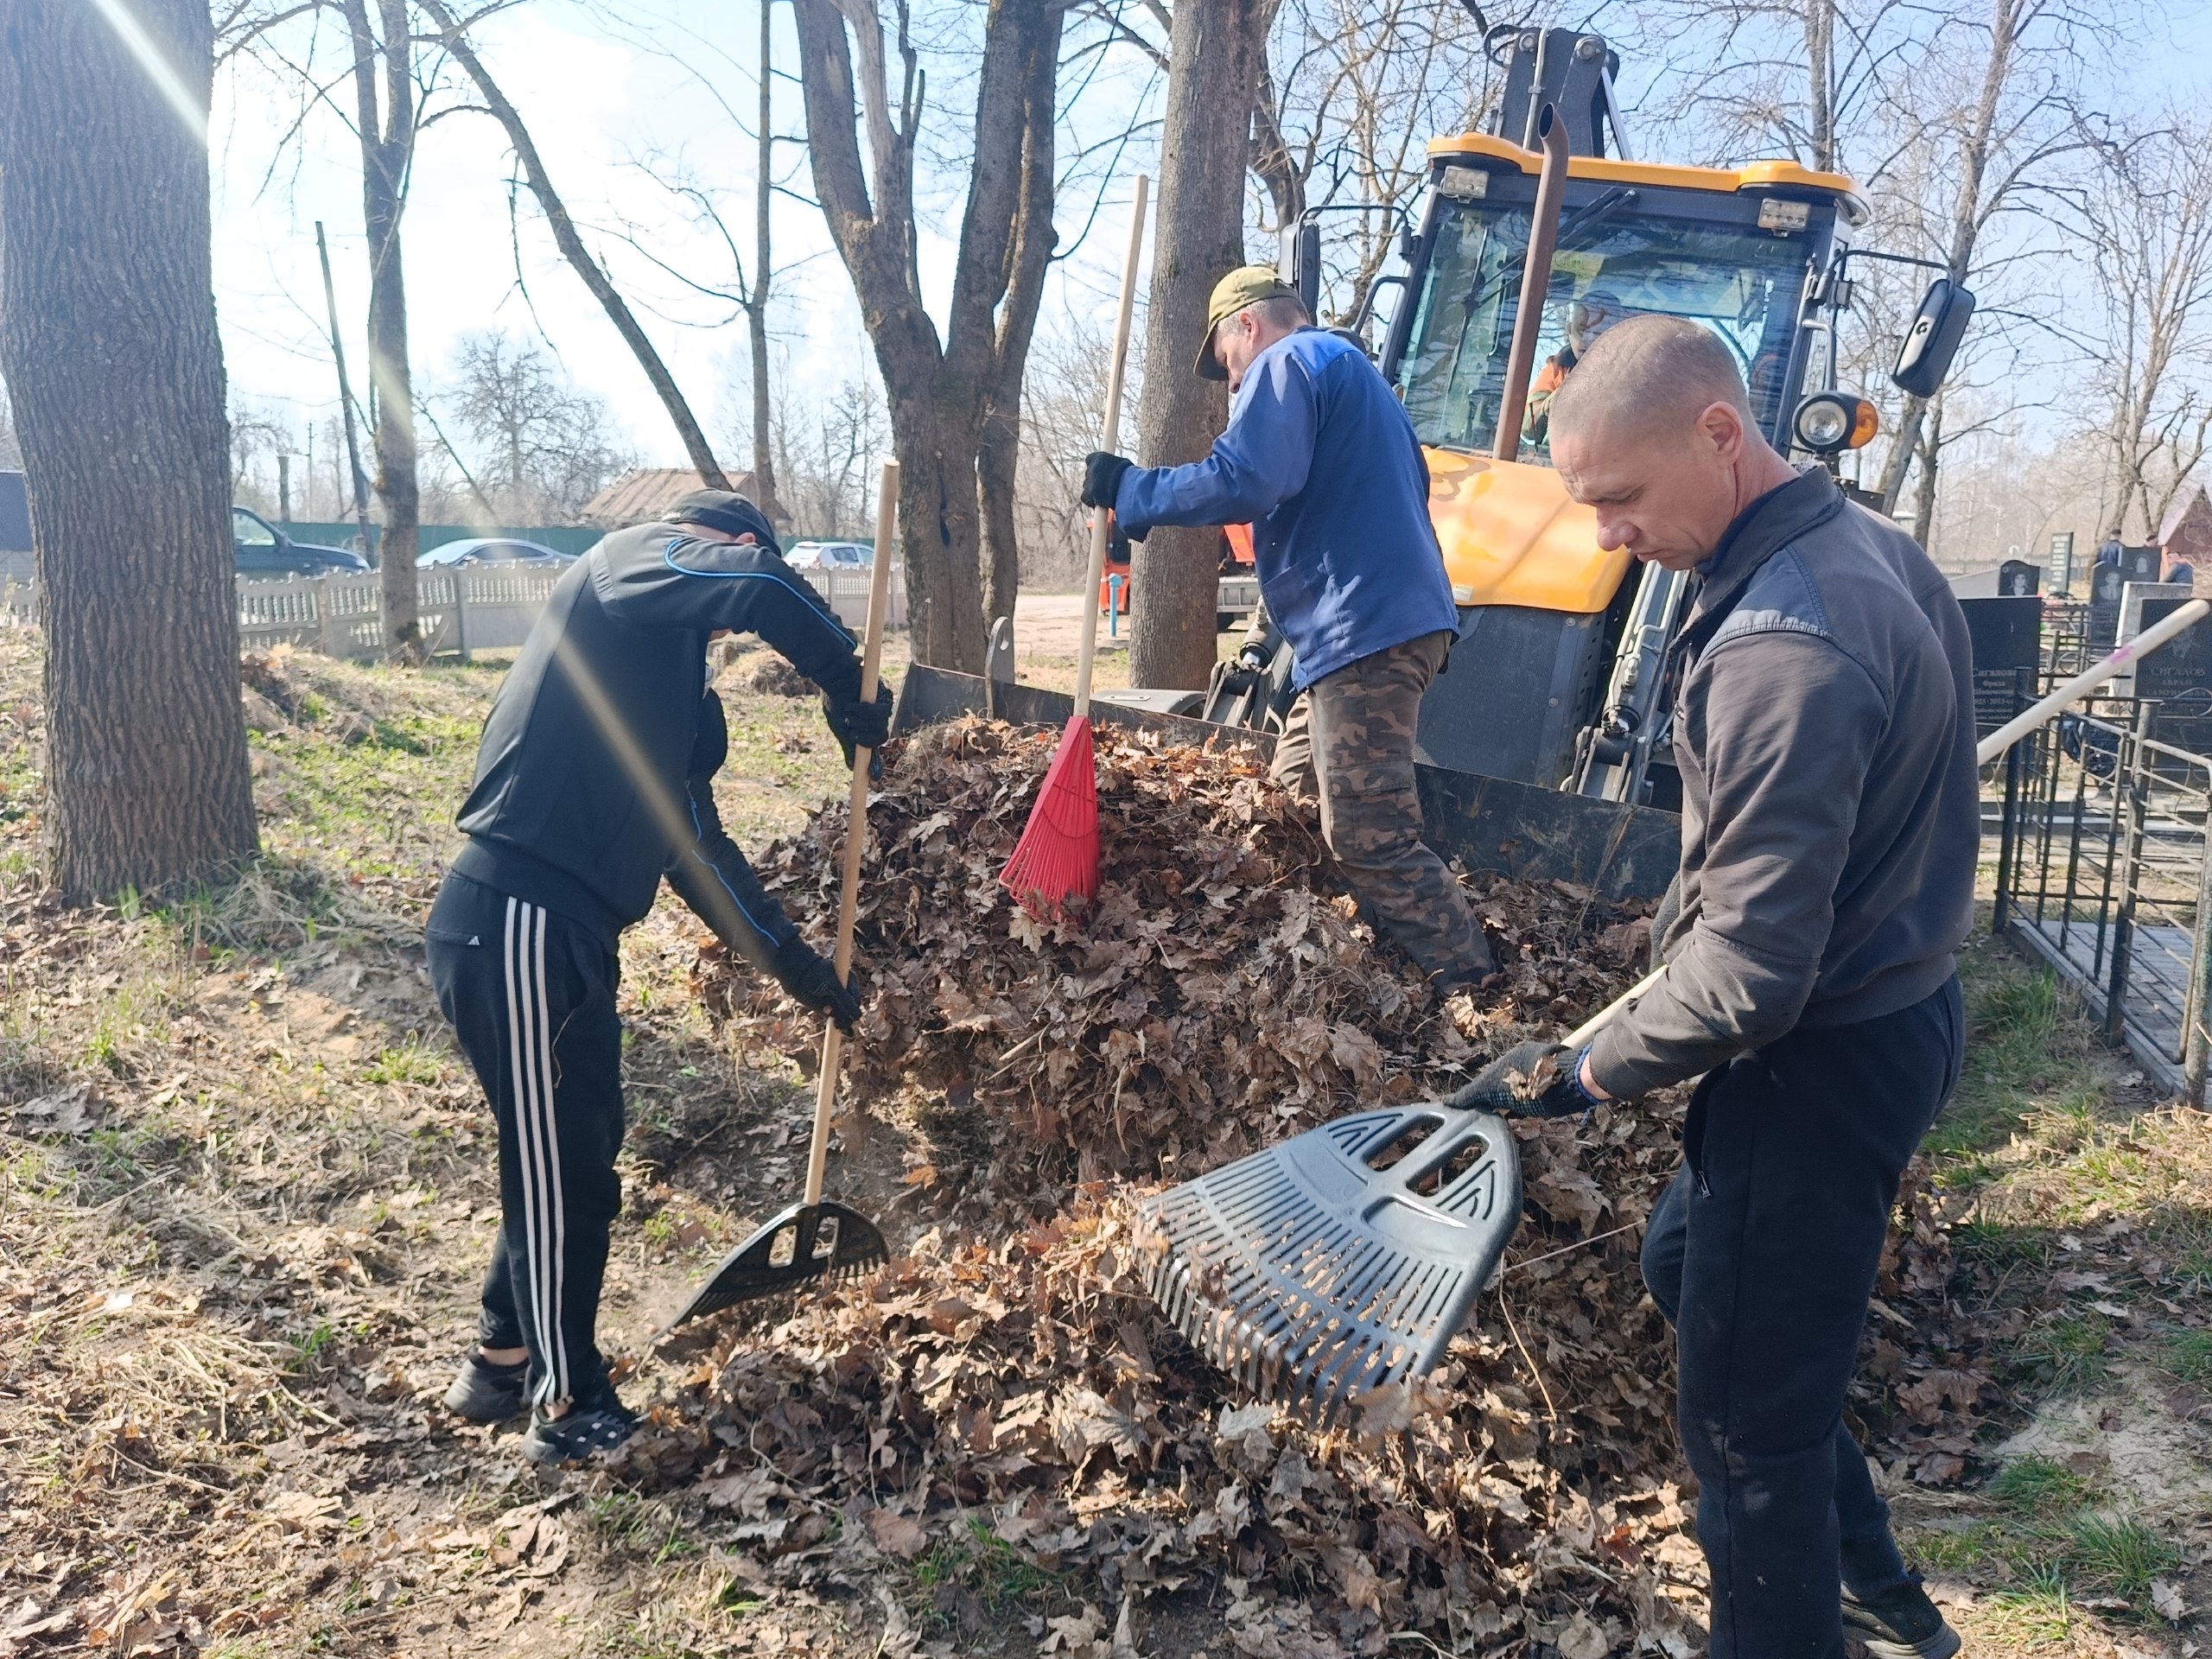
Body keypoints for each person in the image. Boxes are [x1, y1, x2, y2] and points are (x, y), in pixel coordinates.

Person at [1448, 317, 1975, 1659]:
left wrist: (1583, 1068)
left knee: (1747, 1434)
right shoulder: (1860, 553)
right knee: (1688, 1261)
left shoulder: (1784, 646)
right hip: (1894, 1007)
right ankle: (1871, 1582)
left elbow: (1750, 973)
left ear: (1720, 434)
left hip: (1814, 1062)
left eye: (1619, 500)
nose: (1606, 535)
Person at [426, 489, 890, 1465]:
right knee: (565, 1170)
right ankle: (566, 1404)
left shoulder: (662, 680)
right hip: (518, 912)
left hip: (563, 931)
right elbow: (759, 583)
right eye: (720, 582)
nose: (722, 622)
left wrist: (798, 969)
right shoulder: (627, 565)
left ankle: (502, 1356)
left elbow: (696, 850)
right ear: (710, 541)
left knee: (573, 1148)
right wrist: (844, 677)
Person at [1081, 265, 1497, 989]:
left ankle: (1472, 985)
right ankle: (1314, 959)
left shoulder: (1290, 360)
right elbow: (1327, 504)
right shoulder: (1358, 380)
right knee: (1291, 802)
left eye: (1227, 361)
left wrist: (1133, 490)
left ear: (1249, 325)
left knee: (1368, 834)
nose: (1232, 382)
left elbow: (1245, 479)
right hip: (1370, 627)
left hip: (1363, 627)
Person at [1522, 287, 1624, 444]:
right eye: (1581, 330)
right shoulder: (1559, 368)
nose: (1588, 339)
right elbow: (1527, 427)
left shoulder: (1631, 374)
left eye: (1598, 333)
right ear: (1569, 330)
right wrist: (1551, 405)